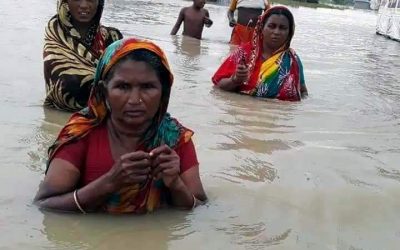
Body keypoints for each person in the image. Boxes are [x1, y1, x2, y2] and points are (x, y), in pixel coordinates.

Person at [35, 38, 207, 213]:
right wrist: (109, 182)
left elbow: (200, 207)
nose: (135, 100)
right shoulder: (81, 134)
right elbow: (44, 204)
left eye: (147, 87)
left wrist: (175, 183)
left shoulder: (175, 139)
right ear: (104, 91)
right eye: (123, 87)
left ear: (164, 92)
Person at [212, 6, 308, 101]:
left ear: (290, 32)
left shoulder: (293, 60)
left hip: (278, 114)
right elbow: (217, 87)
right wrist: (235, 80)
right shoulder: (244, 53)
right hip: (243, 111)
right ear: (262, 27)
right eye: (271, 26)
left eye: (282, 28)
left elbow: (303, 92)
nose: (276, 32)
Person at [44, 0, 123, 112]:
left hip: (106, 121)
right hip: (58, 120)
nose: (84, 6)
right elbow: (64, 86)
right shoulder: (56, 35)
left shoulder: (112, 38)